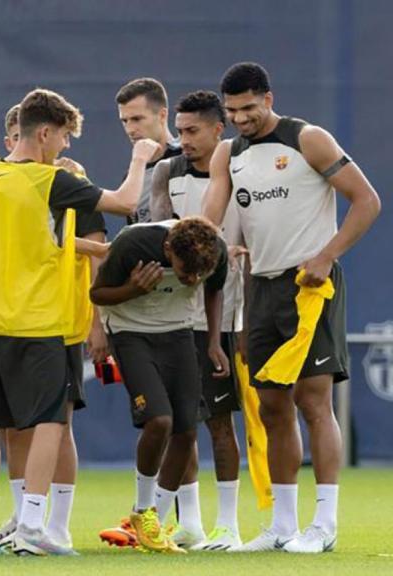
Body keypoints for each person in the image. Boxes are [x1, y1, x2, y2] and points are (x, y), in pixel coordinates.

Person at [0, 88, 157, 556]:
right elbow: (127, 201)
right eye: (64, 137)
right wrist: (140, 157)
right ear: (44, 132)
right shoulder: (49, 181)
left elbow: (51, 239)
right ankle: (31, 530)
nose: (65, 147)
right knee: (50, 423)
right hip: (37, 324)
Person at [203, 62, 380, 554]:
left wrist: (327, 255)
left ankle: (324, 526)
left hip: (309, 286)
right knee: (272, 406)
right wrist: (194, 242)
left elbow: (367, 201)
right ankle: (282, 525)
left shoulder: (308, 139)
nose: (240, 118)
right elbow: (210, 218)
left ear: (268, 98)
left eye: (248, 108)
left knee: (313, 402)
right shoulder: (227, 154)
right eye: (232, 110)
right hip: (259, 289)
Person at [91, 216, 230, 554]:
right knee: (160, 420)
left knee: (186, 430)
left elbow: (213, 290)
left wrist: (213, 341)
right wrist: (132, 289)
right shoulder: (132, 243)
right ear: (168, 248)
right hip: (130, 332)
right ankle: (142, 511)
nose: (192, 279)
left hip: (179, 331)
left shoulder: (215, 249)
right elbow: (97, 293)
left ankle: (154, 523)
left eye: (199, 273)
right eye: (186, 272)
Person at [148, 90, 245, 550]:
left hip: (226, 317)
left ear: (217, 130)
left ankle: (230, 524)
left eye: (192, 131)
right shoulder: (168, 172)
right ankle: (191, 524)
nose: (183, 140)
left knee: (220, 421)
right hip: (175, 318)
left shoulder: (242, 169)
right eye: (180, 131)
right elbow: (161, 234)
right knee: (183, 422)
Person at [116, 77, 182, 223]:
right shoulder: (133, 176)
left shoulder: (190, 157)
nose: (130, 130)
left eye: (137, 119)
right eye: (124, 121)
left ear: (162, 115)